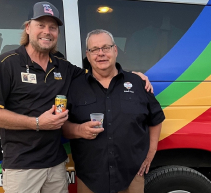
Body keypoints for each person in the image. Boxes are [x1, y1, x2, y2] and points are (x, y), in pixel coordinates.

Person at [0, 2, 152, 193]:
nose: (47, 31)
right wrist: (38, 122)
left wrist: (132, 75)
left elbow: (101, 69)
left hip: (56, 164)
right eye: (41, 25)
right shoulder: (7, 63)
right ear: (28, 28)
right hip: (22, 166)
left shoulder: (62, 66)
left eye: (52, 27)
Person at [62, 29, 165, 193]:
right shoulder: (74, 87)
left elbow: (156, 119)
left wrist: (151, 152)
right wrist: (79, 130)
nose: (101, 54)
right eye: (94, 50)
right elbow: (61, 125)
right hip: (90, 179)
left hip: (131, 176)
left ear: (115, 50)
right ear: (88, 55)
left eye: (106, 48)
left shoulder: (137, 83)